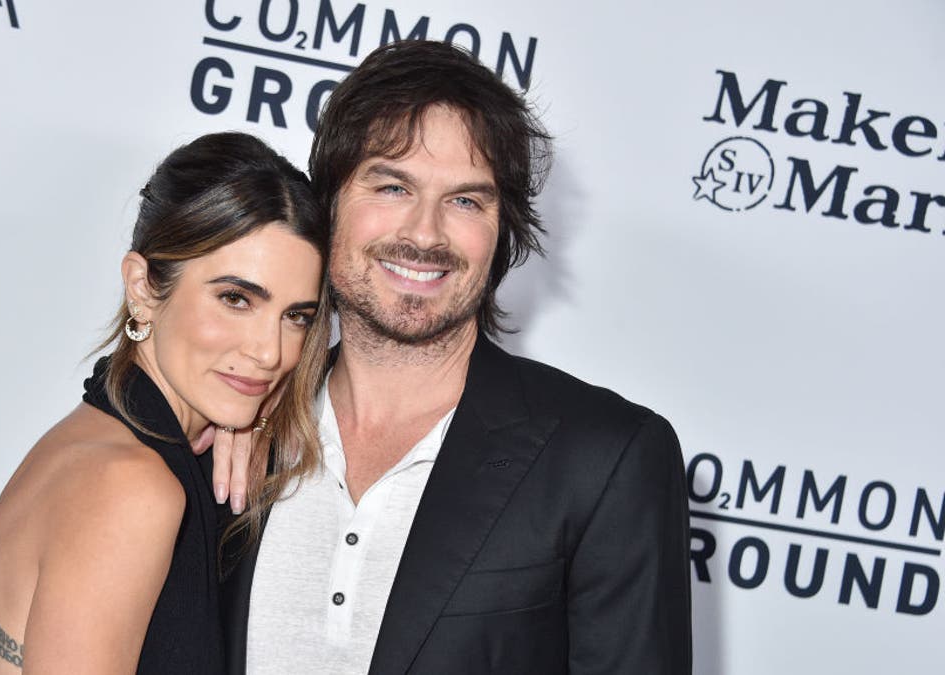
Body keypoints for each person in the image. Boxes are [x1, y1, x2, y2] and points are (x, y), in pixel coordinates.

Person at [218, 41, 692, 674]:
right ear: (326, 205)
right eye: (391, 186)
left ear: (503, 232)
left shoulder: (605, 458)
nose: (424, 233)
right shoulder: (242, 423)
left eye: (466, 201)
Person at [0, 132, 332, 674]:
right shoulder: (131, 485)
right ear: (142, 286)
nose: (269, 352)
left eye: (295, 316)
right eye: (235, 299)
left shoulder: (90, 441)